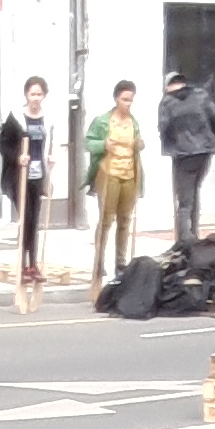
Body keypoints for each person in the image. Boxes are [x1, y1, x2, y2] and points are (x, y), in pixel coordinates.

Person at [84, 78, 143, 294]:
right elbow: (88, 142)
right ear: (116, 99)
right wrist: (103, 144)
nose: (128, 103)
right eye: (125, 99)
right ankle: (99, 261)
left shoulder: (133, 122)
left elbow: (137, 142)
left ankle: (121, 262)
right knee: (106, 218)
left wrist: (139, 144)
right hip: (108, 172)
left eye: (131, 100)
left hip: (129, 173)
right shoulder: (103, 121)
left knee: (125, 219)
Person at [0, 74, 54, 286]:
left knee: (34, 221)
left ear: (44, 95)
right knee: (26, 217)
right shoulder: (16, 119)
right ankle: (22, 264)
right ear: (26, 95)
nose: (36, 98)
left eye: (39, 94)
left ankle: (33, 265)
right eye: (32, 94)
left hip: (37, 176)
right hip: (18, 176)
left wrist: (50, 159)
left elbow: (48, 143)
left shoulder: (47, 119)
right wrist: (17, 157)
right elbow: (3, 145)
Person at [158, 68, 215, 246]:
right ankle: (194, 232)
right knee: (195, 191)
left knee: (184, 199)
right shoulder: (201, 95)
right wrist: (209, 138)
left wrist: (171, 145)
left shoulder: (167, 103)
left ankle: (184, 239)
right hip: (204, 152)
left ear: (168, 86)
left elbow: (163, 128)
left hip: (183, 153)